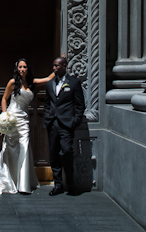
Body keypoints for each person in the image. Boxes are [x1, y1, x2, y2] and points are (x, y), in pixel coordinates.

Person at [0, 58, 56, 195]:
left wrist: (61, 63)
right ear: (17, 68)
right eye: (20, 67)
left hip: (24, 119)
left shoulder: (32, 82)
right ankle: (9, 179)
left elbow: (48, 79)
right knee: (9, 148)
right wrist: (5, 117)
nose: (22, 69)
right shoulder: (12, 82)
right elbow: (4, 98)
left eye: (24, 67)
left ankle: (24, 184)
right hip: (12, 117)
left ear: (28, 68)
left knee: (24, 146)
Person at [43, 55, 85, 196]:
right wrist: (48, 117)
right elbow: (48, 103)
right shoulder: (50, 84)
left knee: (67, 151)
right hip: (52, 124)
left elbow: (80, 105)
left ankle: (71, 183)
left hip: (67, 124)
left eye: (57, 66)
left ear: (64, 66)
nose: (54, 68)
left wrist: (75, 122)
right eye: (53, 66)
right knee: (54, 154)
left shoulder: (73, 83)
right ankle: (58, 185)